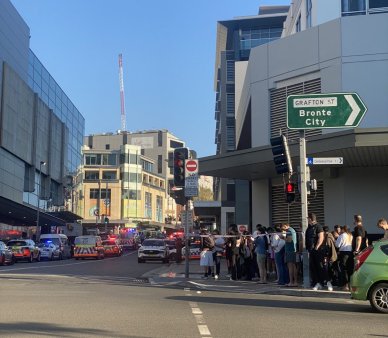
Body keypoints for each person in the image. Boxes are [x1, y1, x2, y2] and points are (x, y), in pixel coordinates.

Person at [306, 212, 325, 291]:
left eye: (308, 219)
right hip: (310, 250)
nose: (307, 220)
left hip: (316, 250)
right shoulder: (309, 227)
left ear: (310, 219)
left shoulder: (318, 226)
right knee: (313, 267)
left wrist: (317, 247)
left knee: (318, 267)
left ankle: (320, 283)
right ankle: (315, 282)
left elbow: (321, 237)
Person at [335, 225, 353, 291]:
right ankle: (350, 285)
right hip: (350, 253)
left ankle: (345, 286)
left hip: (343, 253)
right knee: (350, 270)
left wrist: (335, 241)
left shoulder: (342, 236)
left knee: (344, 270)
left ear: (343, 229)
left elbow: (337, 245)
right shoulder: (351, 235)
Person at [281, 223, 298, 287]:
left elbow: (289, 240)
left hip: (289, 250)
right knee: (293, 266)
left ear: (286, 226)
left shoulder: (289, 231)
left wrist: (283, 237)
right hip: (293, 250)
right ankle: (295, 282)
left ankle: (291, 282)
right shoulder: (293, 230)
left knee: (290, 266)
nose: (283, 229)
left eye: (283, 228)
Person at [321, 225, 337, 291]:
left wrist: (325, 256)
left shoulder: (327, 237)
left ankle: (330, 282)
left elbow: (328, 248)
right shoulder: (331, 236)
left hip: (329, 256)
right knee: (331, 269)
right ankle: (332, 282)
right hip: (332, 255)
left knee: (328, 269)